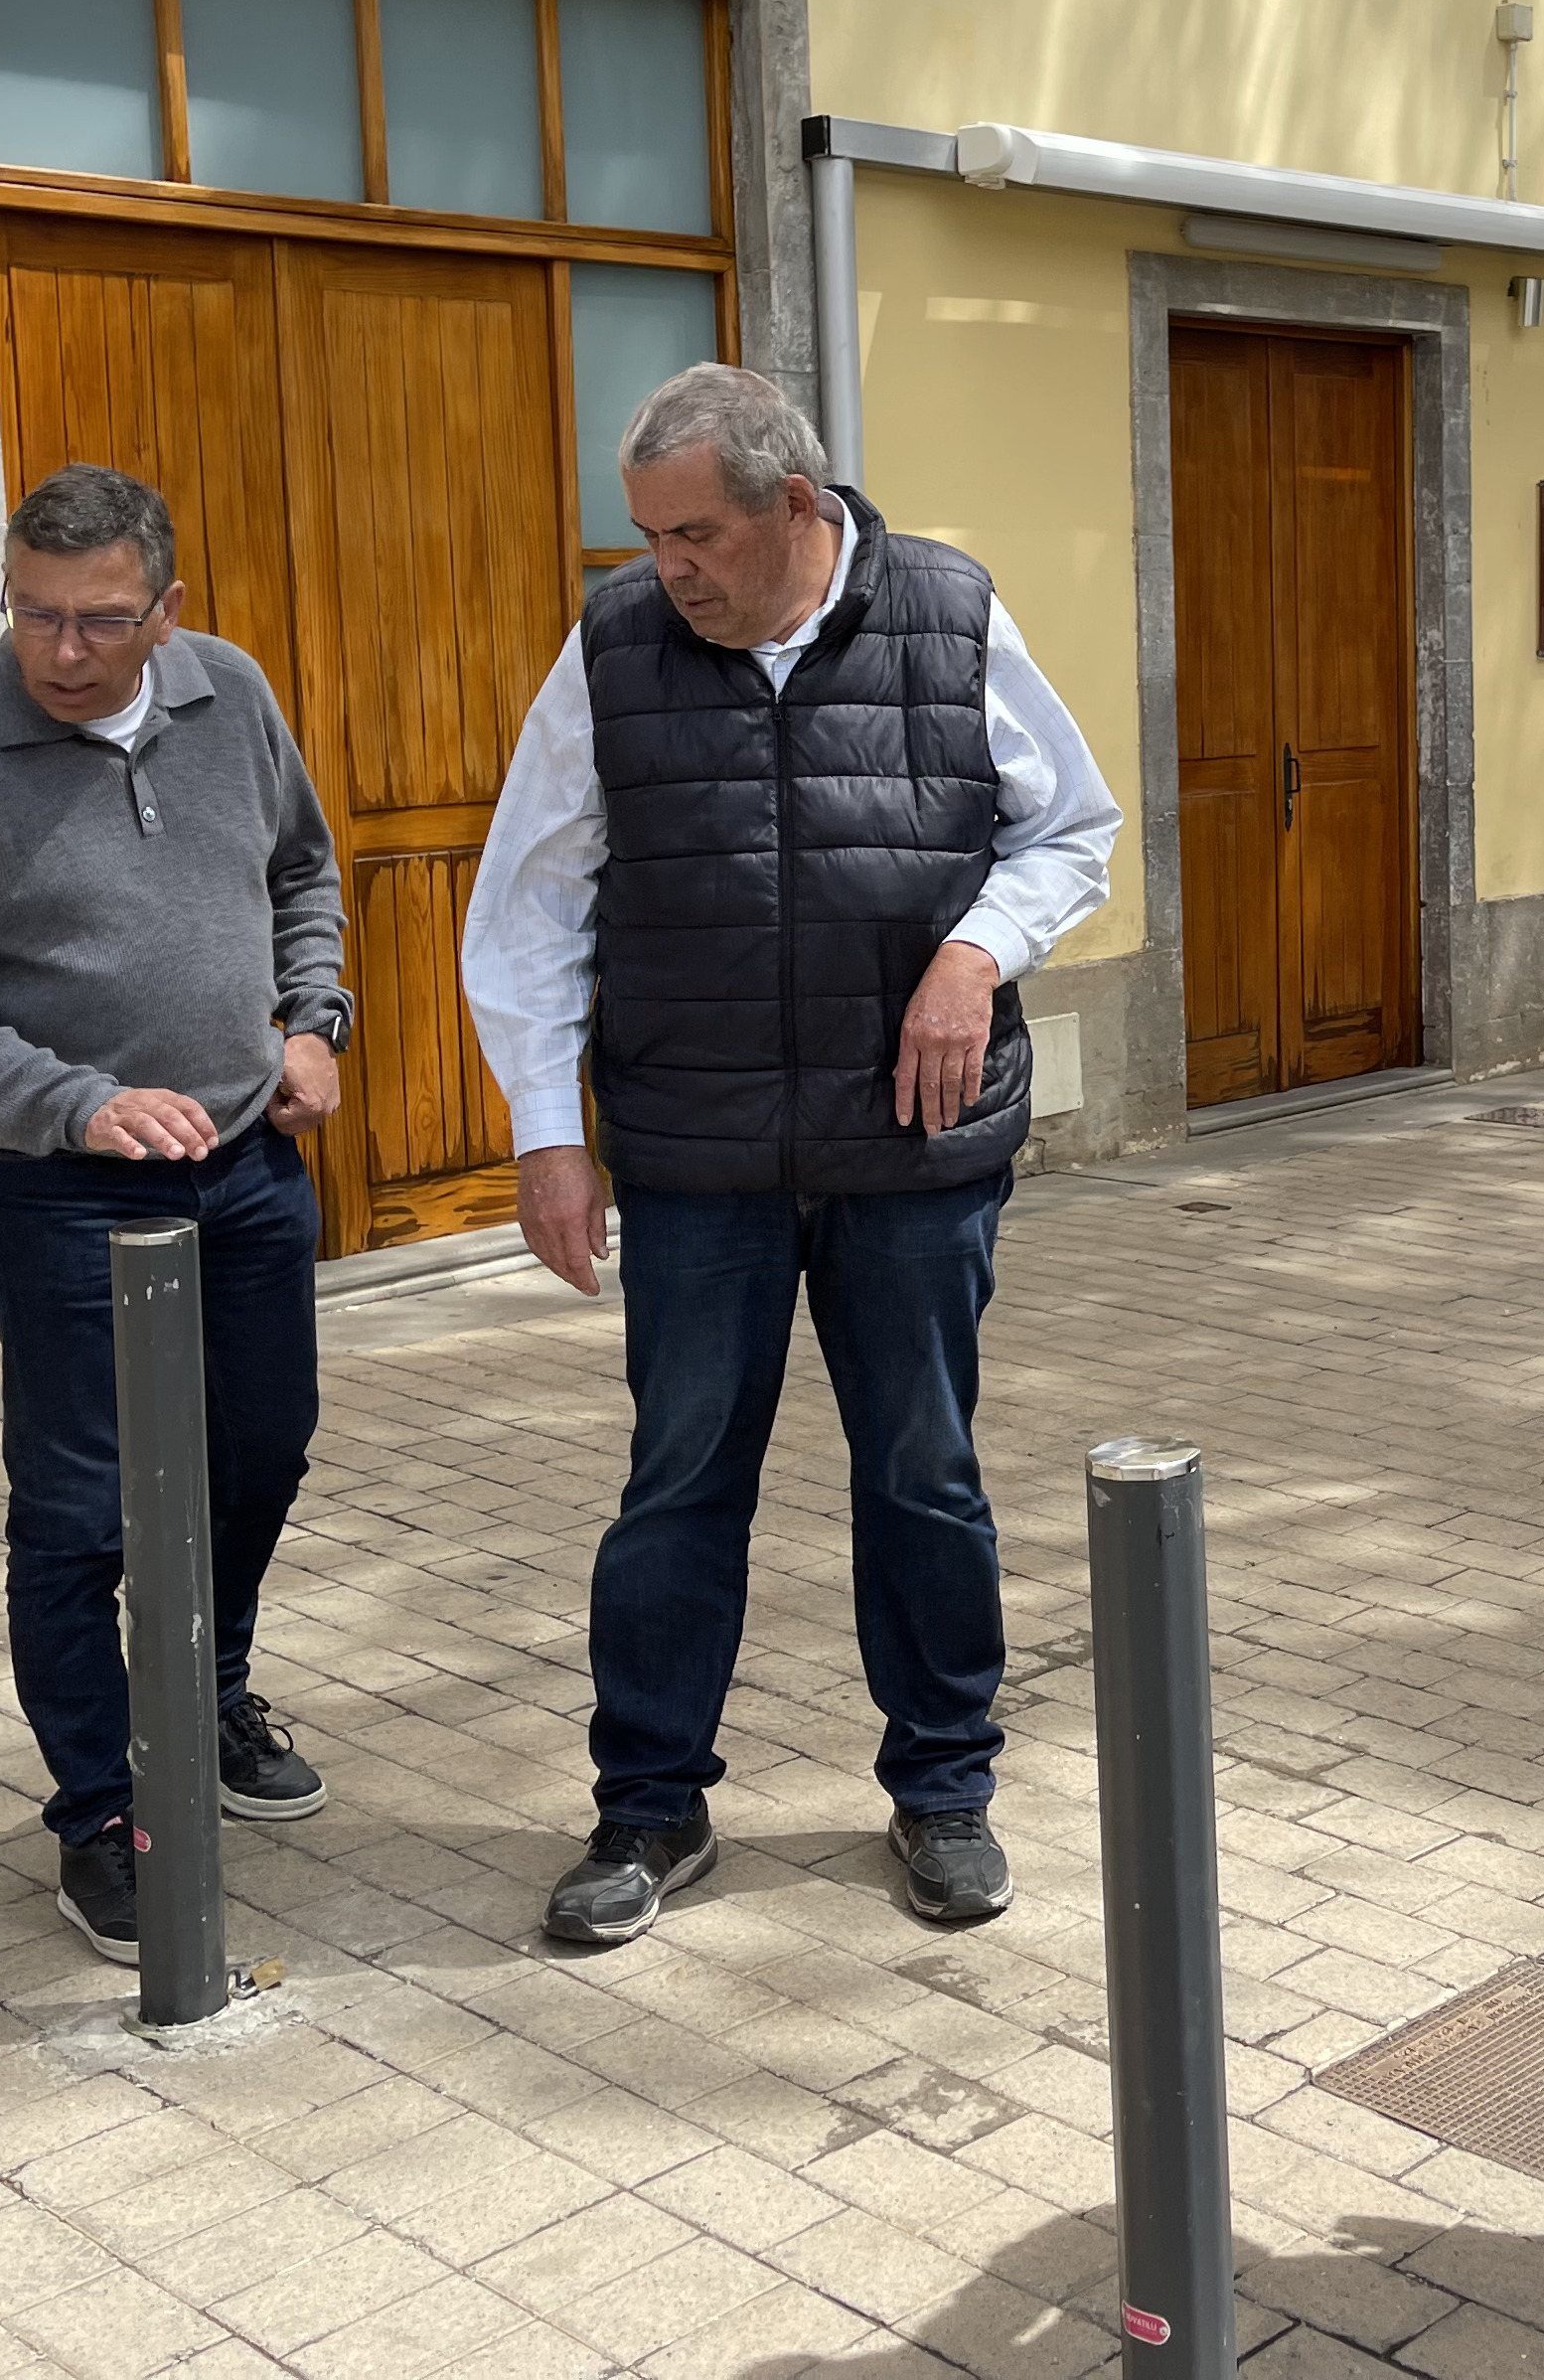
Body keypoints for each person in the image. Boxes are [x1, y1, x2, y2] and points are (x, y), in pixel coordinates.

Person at [462, 365, 1119, 1948]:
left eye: (694, 532)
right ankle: (649, 1808)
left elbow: (1073, 830)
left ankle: (945, 1789)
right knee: (679, 1484)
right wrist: (549, 1136)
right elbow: (530, 903)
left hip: (912, 1154)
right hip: (697, 1159)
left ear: (798, 509)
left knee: (924, 1475)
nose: (664, 566)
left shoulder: (952, 614)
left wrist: (974, 956)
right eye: (647, 533)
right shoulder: (615, 650)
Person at [0, 463, 352, 1967]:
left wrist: (314, 1019)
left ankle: (205, 1695)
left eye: (101, 622)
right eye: (33, 615)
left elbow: (303, 868)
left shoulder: (230, 694)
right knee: (80, 1508)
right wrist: (75, 1103)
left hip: (248, 1164)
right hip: (57, 1188)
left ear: (169, 614)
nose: (61, 652)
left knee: (263, 1446)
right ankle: (97, 1815)